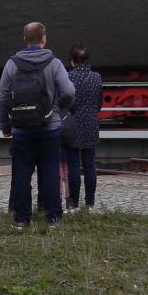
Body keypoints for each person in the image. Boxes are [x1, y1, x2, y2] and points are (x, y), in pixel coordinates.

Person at [0, 22, 75, 230]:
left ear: (25, 39)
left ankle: (21, 219)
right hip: (50, 127)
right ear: (44, 39)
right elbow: (68, 92)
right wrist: (58, 109)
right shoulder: (54, 63)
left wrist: (5, 126)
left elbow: (2, 99)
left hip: (21, 129)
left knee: (22, 174)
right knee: (50, 171)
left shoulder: (12, 64)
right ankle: (53, 218)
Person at [62, 43, 103, 211]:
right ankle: (90, 203)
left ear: (72, 61)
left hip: (71, 126)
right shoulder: (97, 77)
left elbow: (63, 101)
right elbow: (99, 104)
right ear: (88, 60)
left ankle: (73, 204)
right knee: (89, 165)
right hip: (91, 123)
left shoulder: (67, 77)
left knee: (73, 166)